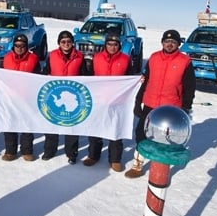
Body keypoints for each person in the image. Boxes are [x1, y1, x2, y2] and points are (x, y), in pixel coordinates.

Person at [125, 29, 195, 178]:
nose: (170, 44)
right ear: (162, 42)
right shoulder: (154, 58)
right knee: (141, 134)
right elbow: (145, 81)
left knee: (166, 139)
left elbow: (189, 87)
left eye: (173, 42)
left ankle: (161, 169)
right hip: (150, 104)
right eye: (167, 41)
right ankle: (137, 165)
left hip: (171, 108)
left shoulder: (185, 62)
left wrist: (186, 108)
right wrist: (138, 102)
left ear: (178, 44)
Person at [82, 33, 133, 172]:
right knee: (95, 129)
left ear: (119, 46)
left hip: (118, 102)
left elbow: (131, 77)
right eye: (109, 44)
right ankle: (93, 155)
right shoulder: (96, 58)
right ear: (105, 45)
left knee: (115, 129)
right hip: (99, 100)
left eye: (115, 44)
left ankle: (115, 159)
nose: (112, 47)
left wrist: (137, 81)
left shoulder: (126, 59)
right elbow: (89, 77)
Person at [43, 30, 87, 164]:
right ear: (59, 43)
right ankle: (50, 150)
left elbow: (85, 76)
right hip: (56, 95)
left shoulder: (80, 56)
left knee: (72, 126)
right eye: (63, 42)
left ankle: (71, 153)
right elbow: (45, 73)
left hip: (73, 97)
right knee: (52, 123)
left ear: (72, 43)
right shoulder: (52, 56)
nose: (66, 44)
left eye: (68, 41)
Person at [1, 34, 42, 161]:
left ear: (26, 46)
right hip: (10, 97)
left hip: (27, 98)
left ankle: (27, 151)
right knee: (10, 124)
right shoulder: (6, 58)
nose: (19, 48)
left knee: (27, 125)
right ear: (13, 46)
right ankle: (10, 151)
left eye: (23, 46)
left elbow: (38, 79)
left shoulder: (34, 59)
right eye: (17, 45)